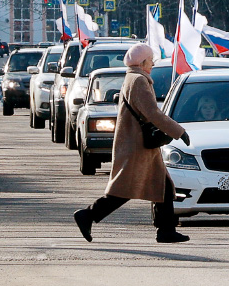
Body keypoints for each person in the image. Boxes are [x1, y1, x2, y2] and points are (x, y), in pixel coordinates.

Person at [73, 44, 191, 244]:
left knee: (162, 187)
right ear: (143, 62)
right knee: (124, 189)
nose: (153, 63)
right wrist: (179, 131)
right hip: (137, 146)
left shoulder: (134, 78)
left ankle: (166, 230)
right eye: (151, 59)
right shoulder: (138, 80)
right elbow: (152, 113)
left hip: (140, 145)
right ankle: (88, 215)